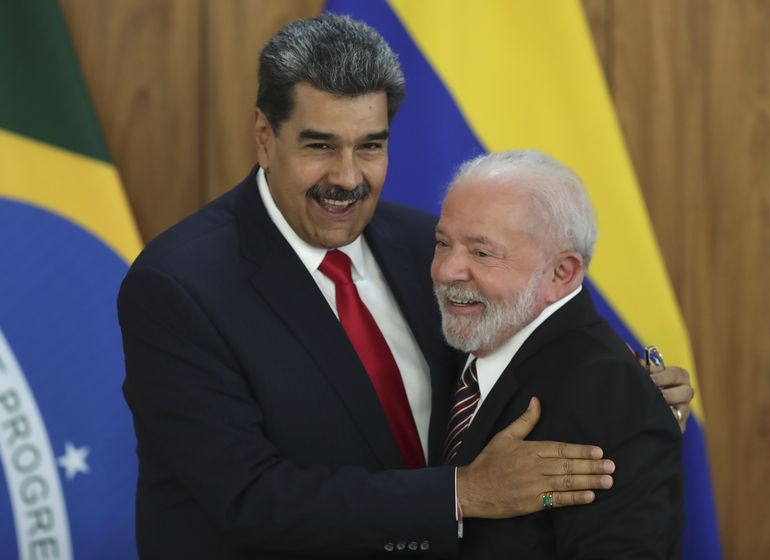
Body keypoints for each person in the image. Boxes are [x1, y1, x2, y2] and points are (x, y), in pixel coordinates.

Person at [118, 14, 691, 559]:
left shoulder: (428, 246)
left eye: (370, 145)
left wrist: (622, 398)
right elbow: (248, 497)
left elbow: (526, 353)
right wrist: (460, 495)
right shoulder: (179, 286)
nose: (347, 178)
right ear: (265, 137)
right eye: (320, 146)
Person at [433, 149, 684, 558]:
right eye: (442, 243)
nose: (446, 270)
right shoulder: (464, 344)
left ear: (561, 273)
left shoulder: (608, 391)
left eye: (482, 253)